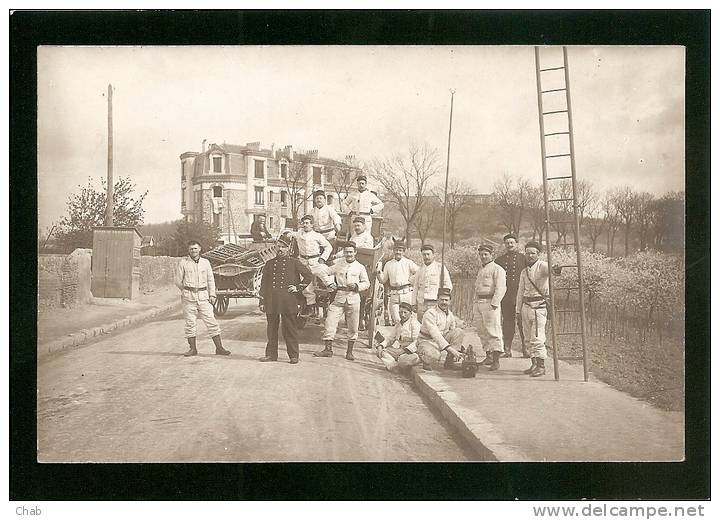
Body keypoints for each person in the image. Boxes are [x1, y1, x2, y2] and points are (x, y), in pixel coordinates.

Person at [258, 234, 314, 364]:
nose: (280, 249)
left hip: (288, 300)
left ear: (288, 248)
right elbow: (264, 284)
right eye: (278, 246)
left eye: (283, 247)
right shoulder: (269, 263)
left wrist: (298, 288)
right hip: (272, 300)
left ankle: (293, 355)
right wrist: (262, 301)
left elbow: (308, 275)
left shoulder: (294, 262)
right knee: (271, 329)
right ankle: (271, 355)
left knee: (290, 329)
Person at [314, 241, 370, 361]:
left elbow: (367, 283)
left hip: (353, 298)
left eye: (351, 252)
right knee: (330, 321)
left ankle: (349, 352)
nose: (348, 254)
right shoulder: (339, 265)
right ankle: (328, 349)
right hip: (339, 297)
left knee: (353, 326)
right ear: (343, 253)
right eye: (346, 252)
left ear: (355, 252)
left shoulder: (360, 267)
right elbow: (322, 272)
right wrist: (329, 283)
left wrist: (356, 286)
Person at [174, 240, 231, 357]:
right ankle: (192, 349)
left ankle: (219, 348)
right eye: (191, 249)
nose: (193, 251)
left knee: (212, 322)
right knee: (190, 324)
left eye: (195, 248)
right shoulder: (183, 263)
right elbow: (178, 281)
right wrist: (186, 291)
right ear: (188, 250)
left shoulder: (205, 263)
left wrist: (212, 294)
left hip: (204, 297)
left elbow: (211, 279)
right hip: (189, 298)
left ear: (200, 249)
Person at [515, 241, 559, 378]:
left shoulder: (543, 266)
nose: (529, 256)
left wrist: (555, 269)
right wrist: (517, 310)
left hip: (539, 307)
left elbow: (552, 271)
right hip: (525, 306)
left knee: (538, 338)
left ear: (538, 254)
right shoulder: (524, 271)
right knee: (528, 339)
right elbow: (520, 291)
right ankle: (534, 363)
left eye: (532, 253)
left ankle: (541, 366)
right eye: (527, 253)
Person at [473, 244, 507, 371]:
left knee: (493, 330)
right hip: (479, 302)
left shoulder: (497, 269)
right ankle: (488, 356)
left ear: (491, 255)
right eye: (481, 254)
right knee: (482, 330)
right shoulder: (481, 270)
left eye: (485, 254)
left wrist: (495, 303)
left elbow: (501, 287)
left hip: (490, 302)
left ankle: (496, 360)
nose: (483, 257)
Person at [494, 233, 528, 357]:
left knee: (523, 323)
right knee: (507, 323)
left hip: (521, 296)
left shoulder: (524, 258)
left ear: (516, 244)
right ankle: (507, 349)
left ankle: (526, 349)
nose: (509, 245)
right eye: (507, 243)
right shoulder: (499, 260)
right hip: (506, 297)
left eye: (512, 242)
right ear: (505, 245)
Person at [417, 288, 465, 371]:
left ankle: (449, 362)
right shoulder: (430, 313)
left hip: (441, 340)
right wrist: (453, 351)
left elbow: (453, 331)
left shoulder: (450, 314)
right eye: (441, 300)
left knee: (458, 331)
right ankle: (425, 359)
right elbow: (436, 335)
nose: (444, 302)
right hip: (427, 341)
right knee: (434, 356)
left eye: (446, 300)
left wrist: (457, 347)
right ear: (437, 300)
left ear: (450, 301)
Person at [294, 214, 333, 315]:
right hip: (303, 262)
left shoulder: (317, 236)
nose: (305, 225)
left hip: (315, 261)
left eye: (307, 223)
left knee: (326, 273)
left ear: (312, 225)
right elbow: (289, 234)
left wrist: (322, 258)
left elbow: (328, 247)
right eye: (304, 223)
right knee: (306, 285)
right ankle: (310, 307)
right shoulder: (298, 234)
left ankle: (331, 291)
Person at [377, 238, 418, 324]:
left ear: (404, 251)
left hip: (406, 293)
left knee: (408, 320)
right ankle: (397, 337)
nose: (398, 252)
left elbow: (418, 272)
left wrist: (411, 279)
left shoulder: (408, 262)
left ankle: (407, 336)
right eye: (396, 250)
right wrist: (378, 272)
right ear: (393, 251)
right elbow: (383, 280)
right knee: (396, 320)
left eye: (400, 250)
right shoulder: (388, 264)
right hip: (394, 294)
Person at [375, 302, 422, 372]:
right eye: (400, 312)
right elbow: (390, 338)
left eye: (405, 312)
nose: (402, 315)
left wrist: (405, 350)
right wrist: (381, 346)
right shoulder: (398, 324)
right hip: (401, 351)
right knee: (381, 351)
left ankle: (397, 365)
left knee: (402, 360)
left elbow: (417, 342)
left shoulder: (415, 324)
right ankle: (394, 366)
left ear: (410, 313)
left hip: (412, 352)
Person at [412, 244, 452, 321]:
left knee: (436, 325)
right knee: (422, 326)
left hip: (435, 304)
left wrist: (443, 300)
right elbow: (415, 287)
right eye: (424, 255)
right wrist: (413, 303)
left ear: (433, 255)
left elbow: (448, 285)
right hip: (422, 304)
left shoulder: (440, 268)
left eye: (428, 254)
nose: (426, 257)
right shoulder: (420, 270)